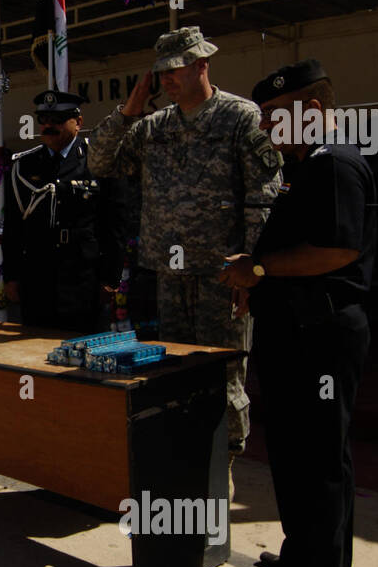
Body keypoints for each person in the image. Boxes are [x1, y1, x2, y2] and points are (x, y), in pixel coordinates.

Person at [87, 26, 283, 486]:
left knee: (224, 370)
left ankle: (225, 463)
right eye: (161, 74)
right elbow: (99, 163)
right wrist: (128, 111)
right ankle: (190, 458)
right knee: (176, 368)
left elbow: (264, 198)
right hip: (169, 272)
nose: (168, 81)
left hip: (224, 275)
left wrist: (253, 267)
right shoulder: (154, 126)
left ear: (201, 65)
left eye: (175, 71)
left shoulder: (240, 118)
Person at [220, 59, 375, 567]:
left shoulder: (333, 165)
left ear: (310, 109)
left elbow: (336, 251)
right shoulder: (313, 164)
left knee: (312, 460)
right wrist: (255, 270)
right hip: (308, 330)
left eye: (271, 116)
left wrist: (256, 273)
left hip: (319, 336)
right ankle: (317, 564)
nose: (264, 128)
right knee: (314, 457)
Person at [4, 90, 106, 330]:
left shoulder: (97, 161)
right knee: (35, 352)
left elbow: (113, 222)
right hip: (39, 276)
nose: (49, 125)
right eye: (43, 119)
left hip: (83, 276)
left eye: (58, 120)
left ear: (78, 122)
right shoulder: (24, 166)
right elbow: (13, 226)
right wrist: (11, 276)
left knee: (83, 351)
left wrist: (111, 278)